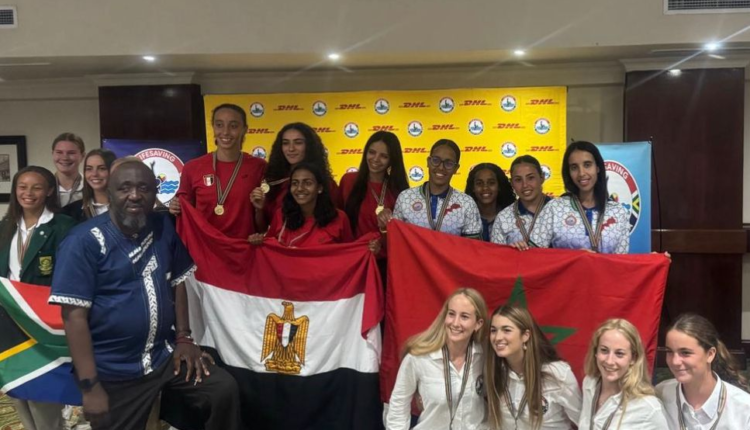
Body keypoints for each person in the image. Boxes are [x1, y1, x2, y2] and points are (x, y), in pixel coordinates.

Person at [48, 160, 241, 430]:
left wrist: (184, 337)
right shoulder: (83, 241)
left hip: (163, 357)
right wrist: (90, 387)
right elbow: (74, 317)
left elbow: (179, 281)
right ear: (110, 192)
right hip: (114, 370)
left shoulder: (162, 227)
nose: (135, 195)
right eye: (125, 188)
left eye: (144, 188)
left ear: (155, 193)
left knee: (221, 389)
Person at [0, 166, 76, 430]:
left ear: (49, 191)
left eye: (36, 187)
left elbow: (71, 275)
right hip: (9, 319)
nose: (28, 193)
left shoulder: (63, 226)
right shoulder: (5, 226)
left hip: (43, 321)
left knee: (42, 392)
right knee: (15, 387)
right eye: (22, 187)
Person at [386, 288, 488, 430]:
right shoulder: (419, 358)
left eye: (464, 317)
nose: (455, 323)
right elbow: (398, 406)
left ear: (478, 324)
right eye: (451, 314)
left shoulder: (484, 357)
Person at [170, 103, 266, 239]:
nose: (225, 132)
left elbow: (264, 226)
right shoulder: (192, 168)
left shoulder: (259, 167)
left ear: (244, 129)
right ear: (213, 128)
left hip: (243, 247)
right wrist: (175, 207)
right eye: (219, 125)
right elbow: (183, 217)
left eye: (233, 126)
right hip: (204, 248)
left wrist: (260, 210)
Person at [485, 304, 581, 429]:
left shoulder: (557, 373)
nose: (497, 337)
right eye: (493, 330)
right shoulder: (494, 372)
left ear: (525, 335)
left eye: (506, 330)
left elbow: (584, 423)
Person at [530, 141, 630, 254]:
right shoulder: (555, 208)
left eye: (587, 165)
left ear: (597, 167)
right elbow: (534, 255)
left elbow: (621, 261)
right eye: (574, 167)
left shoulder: (618, 212)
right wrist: (575, 257)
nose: (581, 173)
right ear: (568, 172)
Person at [656, 313, 750, 429]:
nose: (675, 361)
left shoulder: (744, 409)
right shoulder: (660, 395)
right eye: (669, 352)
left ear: (710, 354)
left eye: (685, 353)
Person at [578, 319, 669, 430]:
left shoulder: (648, 407)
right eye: (604, 350)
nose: (609, 361)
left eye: (619, 353)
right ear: (595, 352)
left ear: (633, 358)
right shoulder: (589, 384)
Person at [381, 139, 482, 238]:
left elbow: (473, 246)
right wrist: (384, 226)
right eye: (436, 160)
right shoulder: (405, 198)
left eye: (448, 163)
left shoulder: (466, 203)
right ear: (428, 162)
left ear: (456, 168)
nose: (441, 167)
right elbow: (395, 239)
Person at [255, 122, 341, 231]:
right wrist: (259, 210)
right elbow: (263, 229)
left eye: (298, 143)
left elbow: (336, 225)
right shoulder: (273, 182)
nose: (291, 149)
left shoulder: (327, 184)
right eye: (286, 143)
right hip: (278, 241)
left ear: (309, 146)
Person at [250, 162, 355, 248]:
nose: (299, 188)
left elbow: (349, 254)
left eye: (307, 183)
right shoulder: (281, 215)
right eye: (295, 183)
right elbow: (269, 248)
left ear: (319, 188)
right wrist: (258, 240)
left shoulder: (339, 218)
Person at [491, 155, 550, 249]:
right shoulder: (503, 218)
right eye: (518, 180)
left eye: (530, 178)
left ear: (542, 178)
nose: (525, 185)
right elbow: (496, 255)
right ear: (512, 183)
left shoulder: (560, 210)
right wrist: (511, 252)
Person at [62, 149, 117, 223]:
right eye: (89, 169)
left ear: (114, 171)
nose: (94, 174)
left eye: (102, 168)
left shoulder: (126, 208)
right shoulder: (70, 211)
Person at [464, 162, 514, 241]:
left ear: (499, 186)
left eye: (491, 183)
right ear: (473, 187)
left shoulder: (512, 217)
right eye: (479, 183)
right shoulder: (463, 217)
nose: (485, 188)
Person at [52, 132, 86, 207]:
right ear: (52, 154)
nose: (65, 158)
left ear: (82, 156)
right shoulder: (44, 187)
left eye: (71, 153)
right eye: (59, 152)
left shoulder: (91, 187)